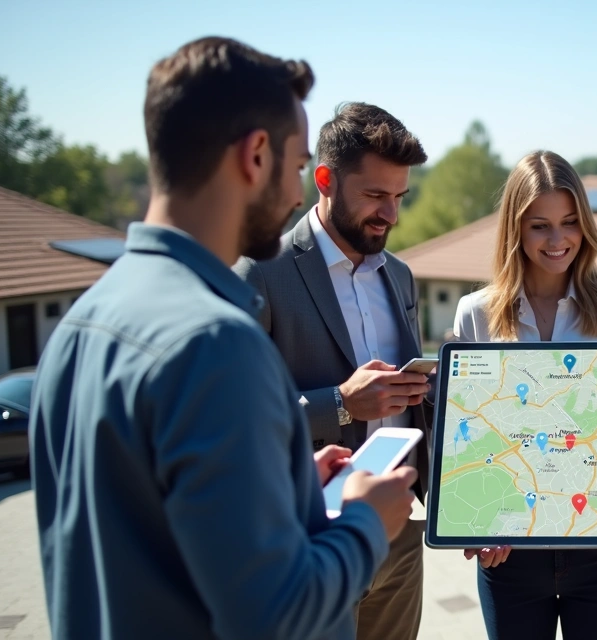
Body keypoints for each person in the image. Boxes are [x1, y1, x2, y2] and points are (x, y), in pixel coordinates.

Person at [29, 37, 416, 640]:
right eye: (293, 169)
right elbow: (274, 613)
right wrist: (366, 520)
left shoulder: (77, 326)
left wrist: (284, 479)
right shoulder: (214, 342)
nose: (294, 196)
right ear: (255, 156)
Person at [234, 102, 432, 640]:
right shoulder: (261, 272)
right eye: (375, 196)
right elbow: (236, 422)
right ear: (324, 179)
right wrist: (341, 402)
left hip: (400, 535)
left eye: (399, 197)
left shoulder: (401, 275)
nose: (390, 214)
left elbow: (413, 406)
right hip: (307, 538)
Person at [452, 151, 597, 640]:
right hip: (510, 557)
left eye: (569, 222)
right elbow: (465, 437)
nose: (558, 239)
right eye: (540, 225)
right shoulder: (474, 314)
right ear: (515, 230)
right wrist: (475, 525)